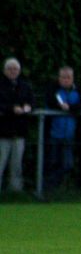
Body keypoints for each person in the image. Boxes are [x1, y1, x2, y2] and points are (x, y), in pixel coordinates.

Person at [0, 58, 35, 192]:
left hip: (19, 131)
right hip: (2, 131)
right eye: (10, 69)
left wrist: (28, 107)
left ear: (19, 71)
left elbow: (32, 101)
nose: (13, 71)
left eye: (15, 69)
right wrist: (12, 109)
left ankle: (15, 191)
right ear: (4, 70)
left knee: (17, 164)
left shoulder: (25, 86)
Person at [44, 66, 80, 190]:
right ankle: (49, 189)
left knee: (68, 164)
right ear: (59, 78)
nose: (66, 80)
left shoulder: (77, 91)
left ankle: (53, 186)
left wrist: (70, 107)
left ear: (72, 78)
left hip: (69, 134)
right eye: (63, 77)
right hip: (54, 134)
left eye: (68, 77)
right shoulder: (53, 90)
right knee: (52, 162)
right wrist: (61, 107)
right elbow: (50, 101)